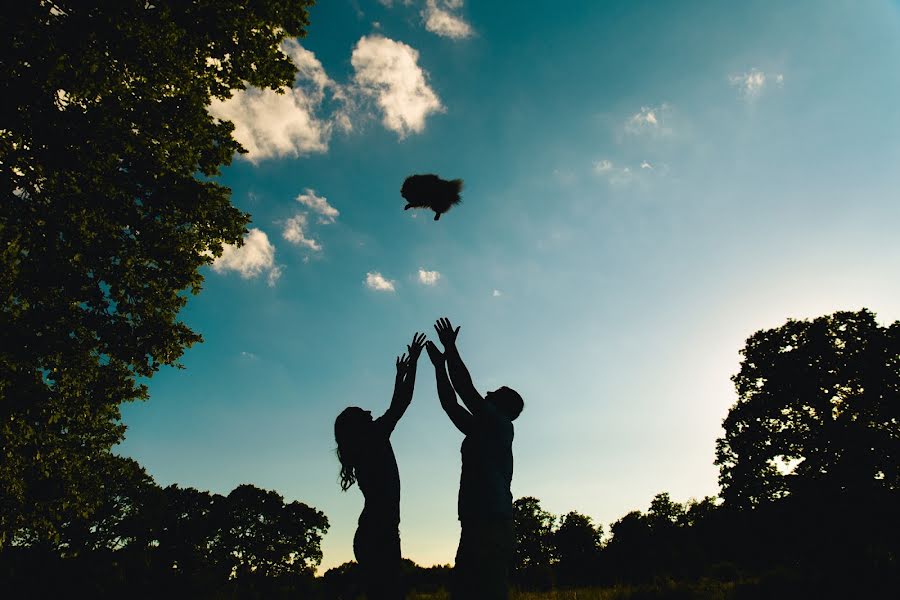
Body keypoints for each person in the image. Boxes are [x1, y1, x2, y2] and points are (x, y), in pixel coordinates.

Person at [426, 317, 524, 600]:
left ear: (501, 406)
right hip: (476, 522)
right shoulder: (481, 430)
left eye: (492, 394)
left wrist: (451, 349)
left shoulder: (501, 425)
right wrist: (438, 367)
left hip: (490, 523)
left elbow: (465, 390)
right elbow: (450, 404)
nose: (487, 393)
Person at [334, 332, 426, 600]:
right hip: (380, 534)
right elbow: (401, 403)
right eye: (363, 412)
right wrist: (415, 364)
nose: (369, 412)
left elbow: (396, 404)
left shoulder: (366, 442)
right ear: (359, 425)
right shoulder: (373, 437)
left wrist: (401, 374)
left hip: (373, 532)